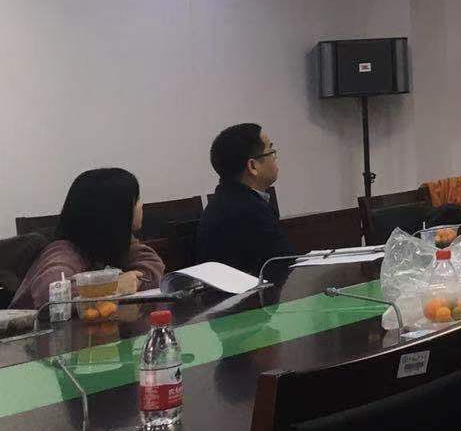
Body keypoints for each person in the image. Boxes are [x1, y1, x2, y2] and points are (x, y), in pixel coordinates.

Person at [11, 168, 165, 308]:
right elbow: (50, 294)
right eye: (137, 199)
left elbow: (152, 268)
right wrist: (113, 287)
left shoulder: (115, 242)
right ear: (115, 212)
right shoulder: (63, 252)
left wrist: (133, 282)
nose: (141, 205)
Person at [196, 124, 292, 275]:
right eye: (271, 151)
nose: (275, 157)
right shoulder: (248, 212)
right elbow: (286, 266)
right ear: (253, 166)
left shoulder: (229, 200)